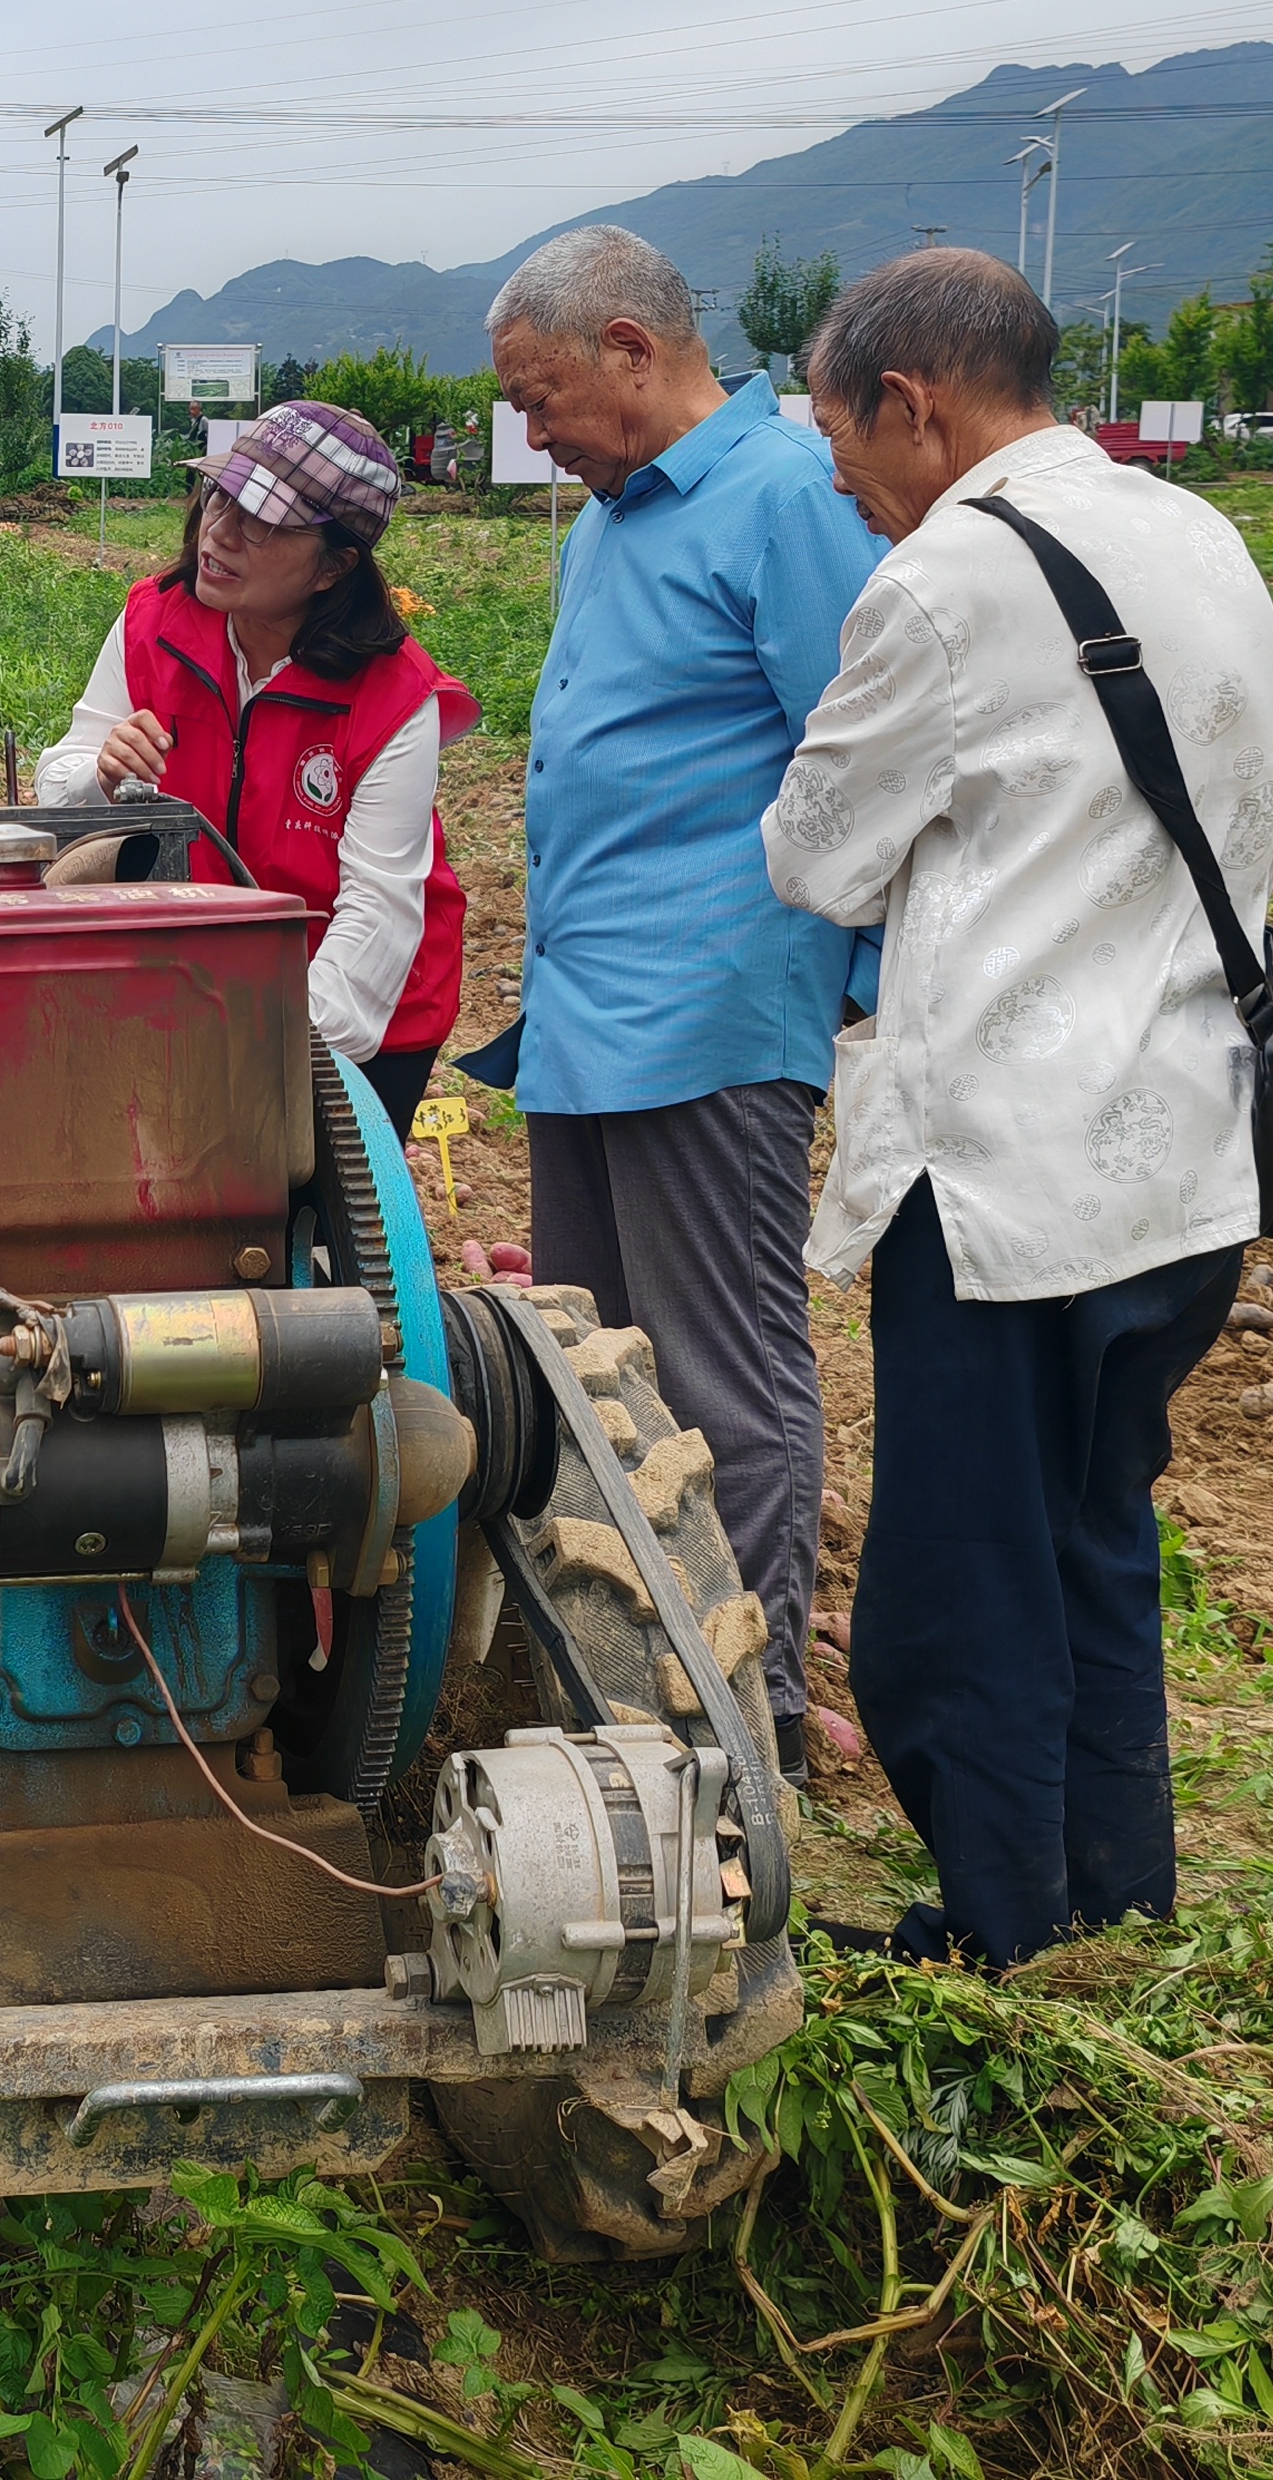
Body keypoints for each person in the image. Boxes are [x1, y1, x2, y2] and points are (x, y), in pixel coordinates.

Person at [761, 249, 1273, 1970]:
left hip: (999, 1174)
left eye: (840, 440)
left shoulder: (944, 579)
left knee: (957, 1585)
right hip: (1182, 1148)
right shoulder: (1196, 534)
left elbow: (814, 854)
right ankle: (1110, 1906)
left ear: (907, 405)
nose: (842, 480)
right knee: (1090, 1544)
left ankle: (1002, 1936)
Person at [483, 224, 883, 1784]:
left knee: (722, 1379)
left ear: (632, 350)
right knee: (598, 1377)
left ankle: (746, 1718)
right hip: (589, 1013)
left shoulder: (785, 497)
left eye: (543, 398)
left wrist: (849, 992)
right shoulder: (608, 522)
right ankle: (626, 1694)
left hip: (713, 1012)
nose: (535, 435)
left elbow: (864, 759)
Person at [35, 401, 474, 1134]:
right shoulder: (155, 623)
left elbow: (375, 916)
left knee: (311, 1187)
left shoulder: (395, 698)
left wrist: (248, 1044)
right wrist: (99, 774)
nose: (220, 533)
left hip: (358, 1004)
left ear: (334, 566)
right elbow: (61, 784)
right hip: (195, 986)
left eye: (264, 522)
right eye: (221, 497)